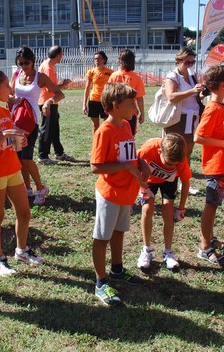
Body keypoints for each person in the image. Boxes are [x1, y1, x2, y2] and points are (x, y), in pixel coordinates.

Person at [0, 69, 43, 277]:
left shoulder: (4, 111)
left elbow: (9, 142)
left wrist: (18, 139)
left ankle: (21, 251)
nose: (10, 90)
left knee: (24, 212)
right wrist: (3, 136)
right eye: (6, 87)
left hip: (13, 168)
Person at [90, 83, 148, 306]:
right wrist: (126, 168)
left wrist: (141, 163)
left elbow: (130, 152)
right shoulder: (104, 131)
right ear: (114, 106)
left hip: (126, 191)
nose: (135, 107)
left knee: (119, 231)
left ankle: (116, 269)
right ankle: (100, 282)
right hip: (110, 193)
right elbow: (96, 167)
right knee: (102, 237)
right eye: (130, 103)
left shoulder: (125, 124)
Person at [10, 45, 64, 205]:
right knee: (19, 159)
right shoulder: (16, 74)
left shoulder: (39, 77)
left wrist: (49, 101)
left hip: (31, 121)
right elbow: (10, 93)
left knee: (26, 158)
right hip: (16, 120)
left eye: (26, 63)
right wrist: (13, 100)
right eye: (20, 63)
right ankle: (27, 188)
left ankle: (40, 188)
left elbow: (59, 94)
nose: (23, 66)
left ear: (32, 61)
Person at [194, 65, 224, 265]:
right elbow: (199, 137)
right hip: (215, 166)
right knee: (211, 206)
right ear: (222, 85)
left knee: (214, 205)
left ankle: (209, 238)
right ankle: (205, 247)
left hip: (223, 165)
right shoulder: (212, 109)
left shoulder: (220, 106)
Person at [137, 133, 192, 271]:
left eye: (174, 165)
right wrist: (143, 187)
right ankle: (146, 250)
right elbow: (134, 168)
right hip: (148, 180)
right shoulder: (148, 149)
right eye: (168, 163)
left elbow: (185, 182)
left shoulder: (180, 158)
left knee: (168, 211)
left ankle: (168, 252)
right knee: (147, 209)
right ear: (160, 151)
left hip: (169, 181)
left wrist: (181, 207)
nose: (170, 166)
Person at [162, 47, 203, 195]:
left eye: (192, 62)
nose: (190, 65)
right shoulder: (172, 75)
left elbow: (194, 97)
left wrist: (201, 93)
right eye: (187, 62)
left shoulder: (192, 75)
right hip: (177, 119)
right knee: (172, 151)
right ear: (178, 60)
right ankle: (168, 180)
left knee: (188, 152)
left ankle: (185, 182)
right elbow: (171, 96)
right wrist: (193, 91)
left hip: (191, 118)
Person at [37, 45, 74, 163]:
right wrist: (63, 84)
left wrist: (60, 84)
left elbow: (50, 85)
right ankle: (43, 156)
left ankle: (59, 153)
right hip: (47, 102)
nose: (62, 57)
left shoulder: (48, 65)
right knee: (47, 130)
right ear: (58, 55)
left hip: (51, 101)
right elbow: (50, 89)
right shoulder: (48, 67)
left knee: (54, 129)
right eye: (62, 55)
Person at [108, 49, 146, 135]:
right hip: (130, 112)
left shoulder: (114, 76)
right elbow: (139, 98)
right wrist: (142, 113)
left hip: (116, 112)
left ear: (121, 61)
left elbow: (108, 95)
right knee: (129, 137)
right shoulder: (137, 78)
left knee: (115, 136)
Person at [83, 51, 114, 134]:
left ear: (104, 60)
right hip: (93, 100)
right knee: (95, 126)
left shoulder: (111, 72)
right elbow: (87, 88)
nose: (97, 60)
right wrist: (84, 104)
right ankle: (96, 144)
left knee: (107, 124)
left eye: (99, 58)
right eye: (95, 59)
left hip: (105, 100)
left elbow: (113, 87)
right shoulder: (91, 72)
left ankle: (106, 142)